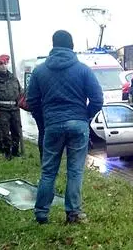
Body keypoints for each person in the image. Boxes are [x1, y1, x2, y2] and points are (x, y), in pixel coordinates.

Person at [27, 30, 104, 224]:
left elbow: (32, 101)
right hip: (78, 125)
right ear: (71, 46)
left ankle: (41, 214)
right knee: (75, 171)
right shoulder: (83, 69)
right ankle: (73, 214)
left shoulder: (40, 70)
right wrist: (84, 117)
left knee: (48, 171)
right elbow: (97, 99)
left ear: (53, 45)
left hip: (52, 125)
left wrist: (44, 120)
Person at [0, 54, 22, 160]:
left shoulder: (13, 78)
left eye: (5, 64)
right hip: (2, 109)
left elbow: (20, 92)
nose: (4, 66)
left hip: (15, 108)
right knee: (4, 132)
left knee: (16, 131)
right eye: (1, 64)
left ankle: (16, 151)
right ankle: (7, 153)